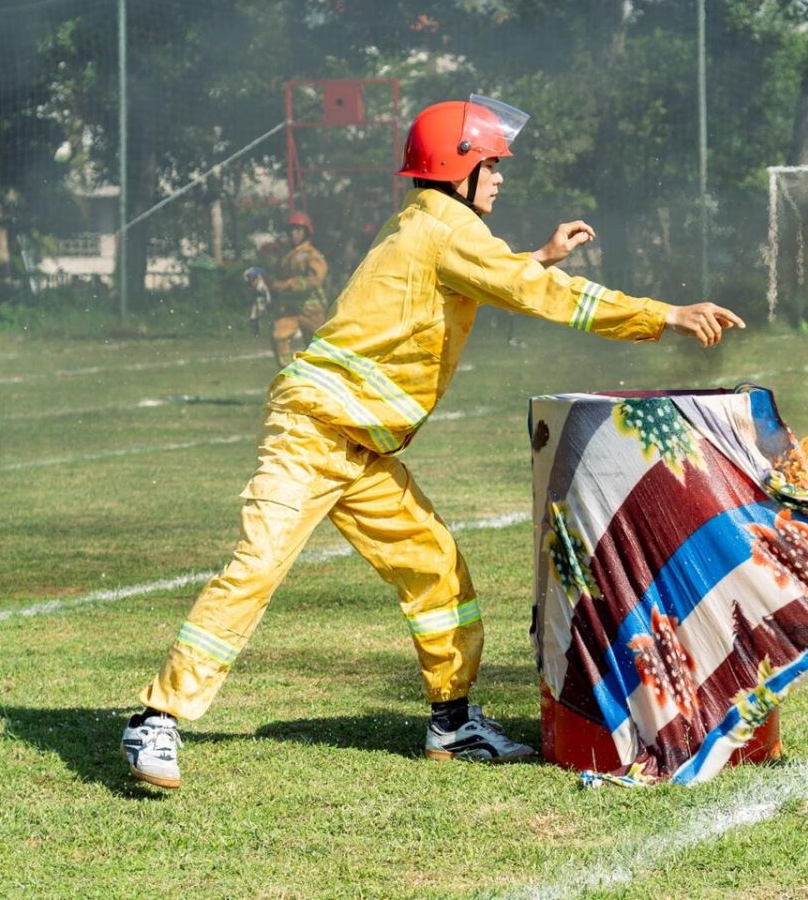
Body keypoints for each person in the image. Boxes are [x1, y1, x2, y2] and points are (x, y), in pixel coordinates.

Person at [122, 95, 746, 788]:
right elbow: (549, 298)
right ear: (458, 167)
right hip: (313, 432)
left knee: (435, 569)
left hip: (357, 446)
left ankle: (452, 723)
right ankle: (156, 717)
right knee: (256, 568)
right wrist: (664, 315)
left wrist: (538, 255)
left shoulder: (425, 221)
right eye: (492, 165)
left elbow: (485, 276)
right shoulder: (448, 230)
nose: (500, 177)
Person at [269, 212, 329, 364]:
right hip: (289, 307)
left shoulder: (311, 254)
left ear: (306, 232)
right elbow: (278, 278)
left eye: (298, 230)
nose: (294, 233)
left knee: (319, 345)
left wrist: (289, 284)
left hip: (311, 307)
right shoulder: (285, 255)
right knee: (279, 337)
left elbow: (316, 279)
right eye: (291, 230)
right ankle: (288, 372)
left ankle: (321, 373)